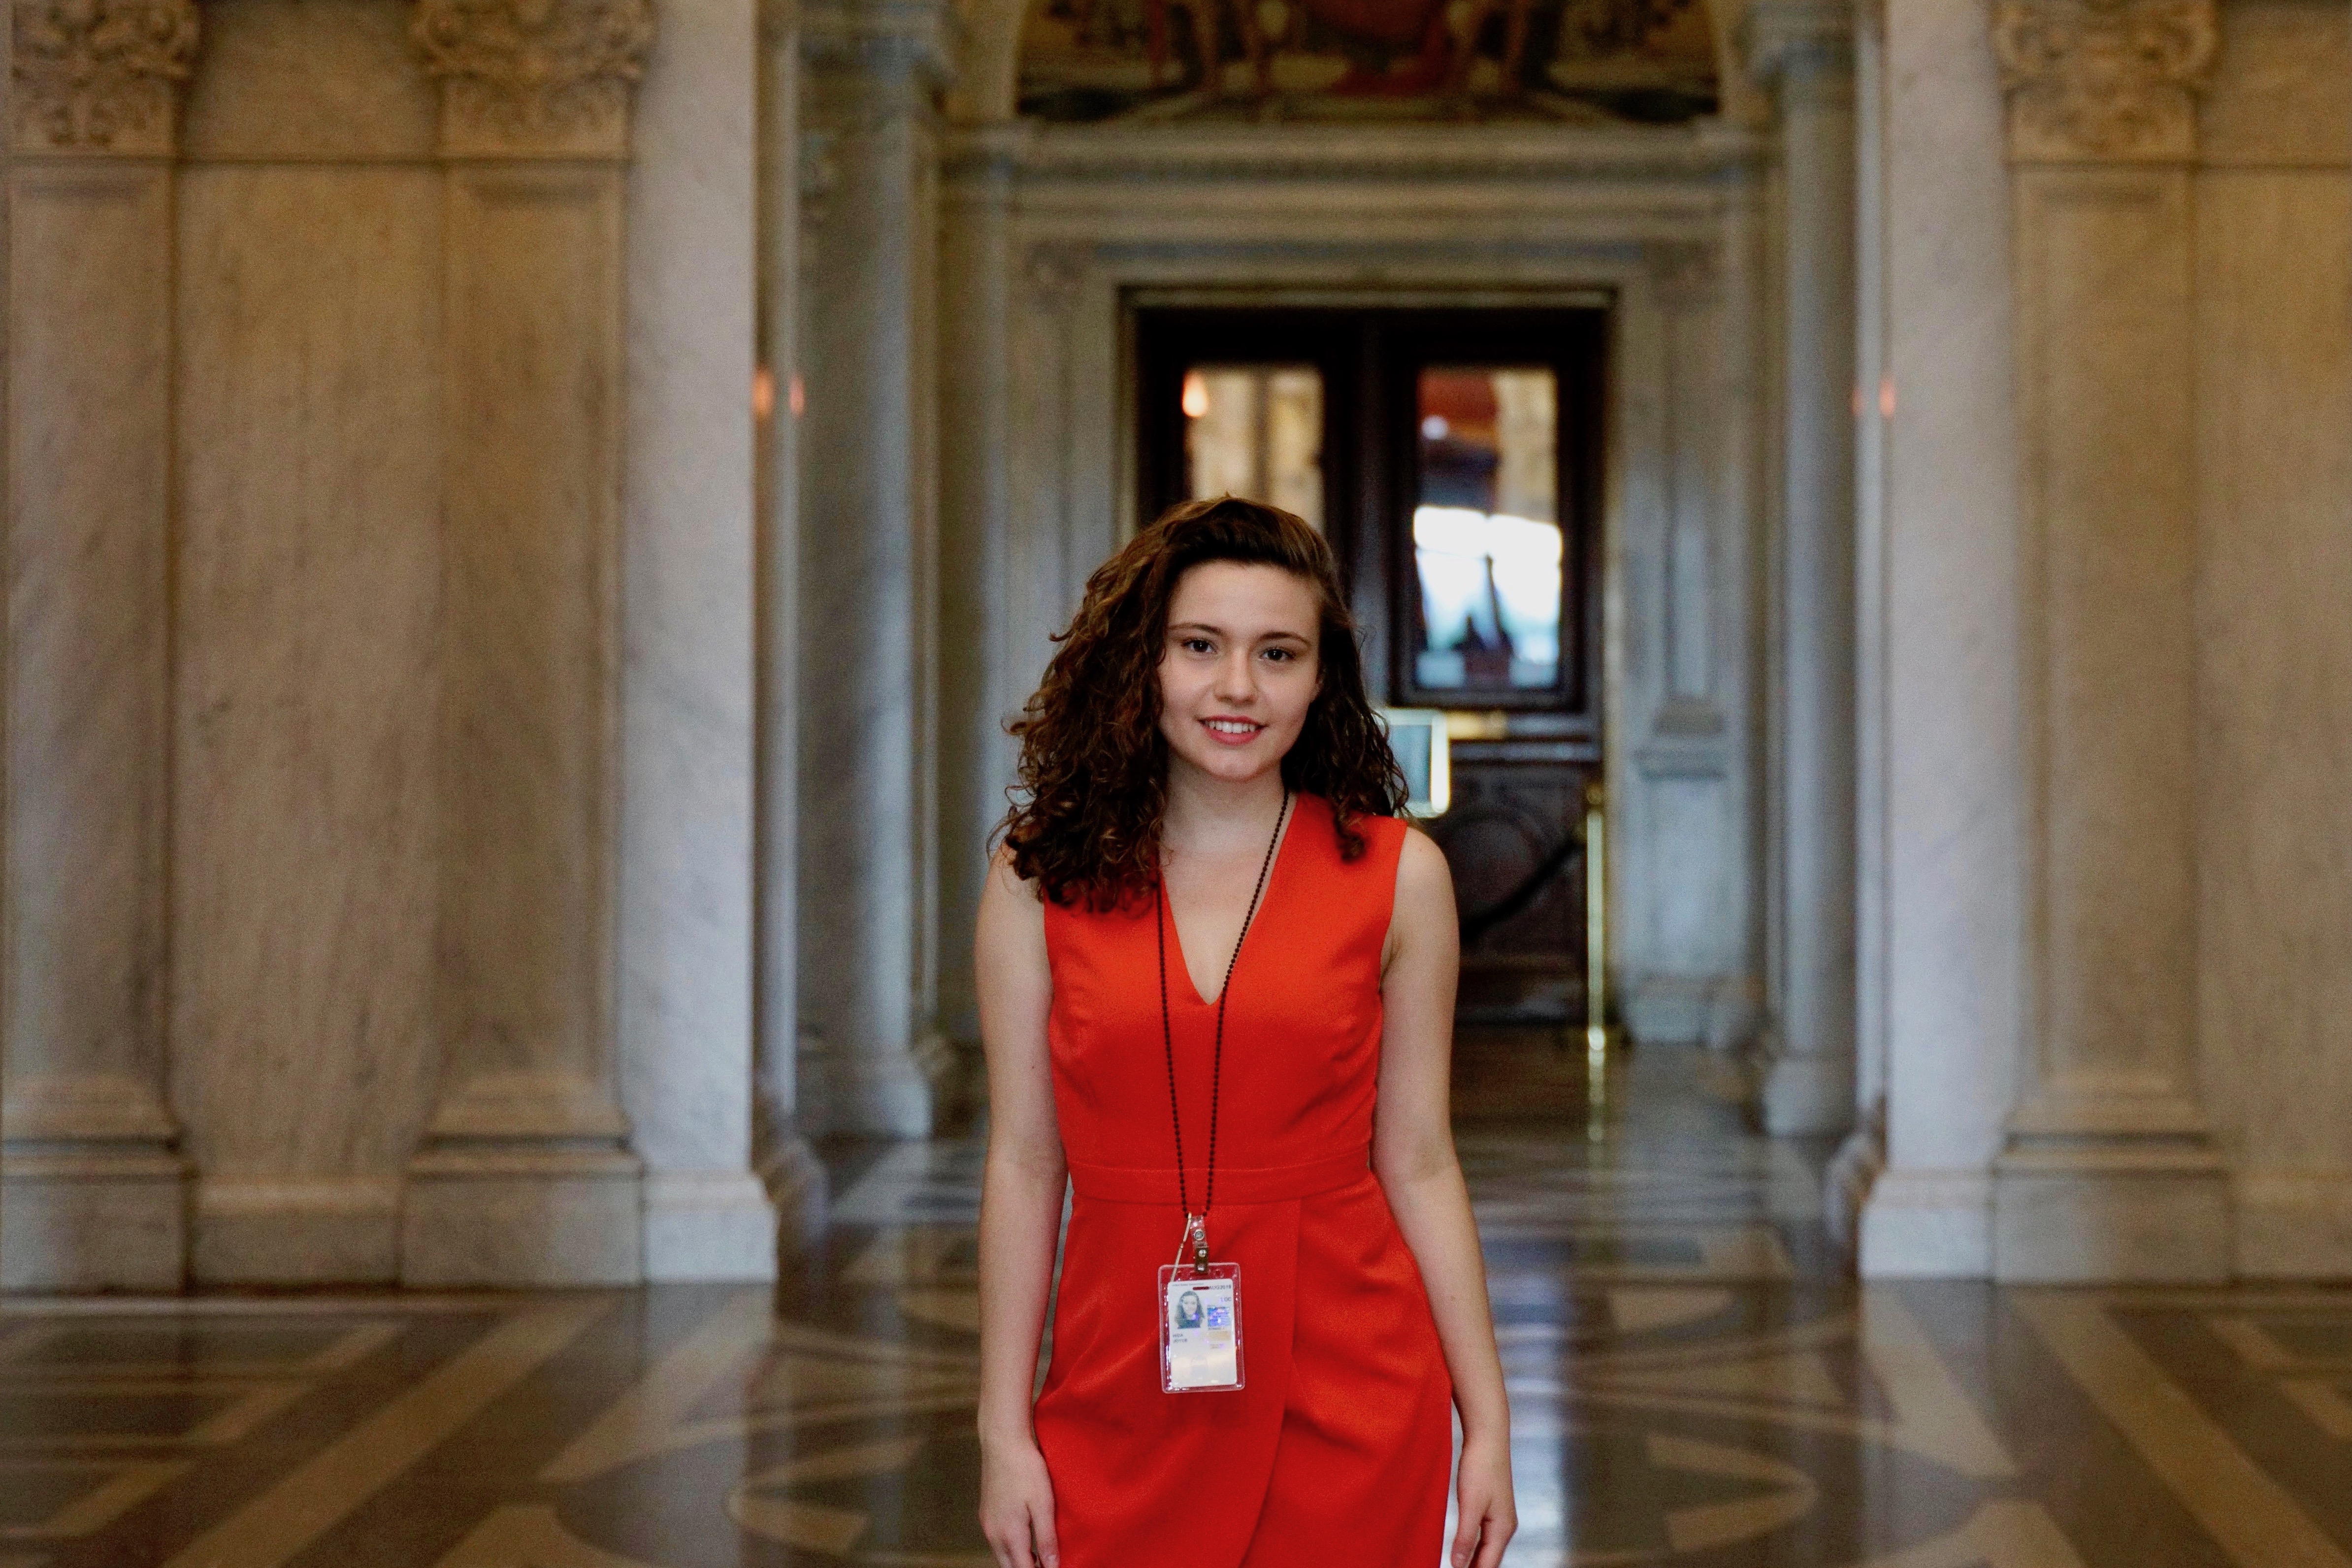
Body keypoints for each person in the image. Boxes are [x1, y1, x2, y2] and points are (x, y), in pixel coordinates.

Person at [974, 496, 1517, 1568]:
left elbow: (1419, 1159)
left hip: (1354, 1387)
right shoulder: (1039, 878)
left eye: (1278, 652)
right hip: (1117, 1381)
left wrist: (1488, 1420)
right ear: (1145, 662)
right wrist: (1001, 1426)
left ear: (1321, 678)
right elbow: (1026, 1161)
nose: (1237, 687)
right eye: (1199, 646)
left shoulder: (1401, 877)